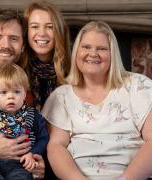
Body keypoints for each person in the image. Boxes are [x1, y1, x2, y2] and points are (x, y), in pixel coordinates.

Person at [42, 20, 152, 180]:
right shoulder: (61, 96)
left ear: (112, 54)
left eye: (101, 49)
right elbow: (56, 146)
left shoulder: (138, 86)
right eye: (86, 47)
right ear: (77, 51)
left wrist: (125, 179)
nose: (93, 53)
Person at [0, 9, 45, 179]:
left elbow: (39, 136)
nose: (5, 45)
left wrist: (38, 162)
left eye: (13, 39)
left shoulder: (28, 87)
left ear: (23, 46)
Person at [0, 63, 48, 180]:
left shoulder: (33, 115)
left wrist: (32, 153)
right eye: (3, 92)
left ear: (24, 94)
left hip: (19, 163)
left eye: (16, 92)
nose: (10, 97)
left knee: (22, 175)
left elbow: (43, 138)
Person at [24, 0, 71, 110]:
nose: (42, 33)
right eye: (35, 26)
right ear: (26, 31)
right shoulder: (18, 70)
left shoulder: (72, 70)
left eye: (50, 27)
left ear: (59, 31)